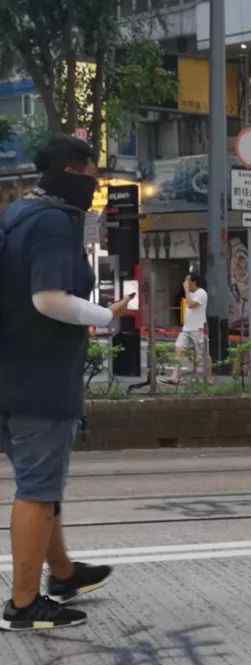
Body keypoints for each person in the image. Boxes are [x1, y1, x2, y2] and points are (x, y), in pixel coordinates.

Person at [0, 135, 130, 631]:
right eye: (92, 174)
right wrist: (106, 314)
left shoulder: (16, 215)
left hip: (9, 373)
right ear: (75, 171)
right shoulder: (54, 222)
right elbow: (48, 299)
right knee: (36, 488)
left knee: (41, 483)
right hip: (39, 378)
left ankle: (65, 573)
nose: (95, 184)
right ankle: (24, 605)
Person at [174, 273, 208, 382]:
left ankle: (205, 378)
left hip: (198, 329)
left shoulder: (201, 293)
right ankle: (175, 376)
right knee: (178, 348)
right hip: (186, 328)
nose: (185, 282)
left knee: (201, 354)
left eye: (187, 280)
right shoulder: (191, 293)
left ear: (193, 282)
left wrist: (186, 290)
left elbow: (191, 305)